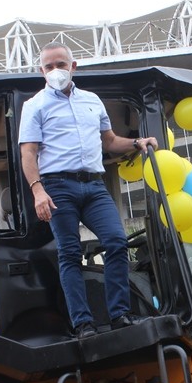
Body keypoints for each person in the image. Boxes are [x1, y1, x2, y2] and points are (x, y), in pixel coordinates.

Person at [19, 42, 158, 339]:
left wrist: (137, 142)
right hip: (57, 186)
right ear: (41, 71)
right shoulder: (34, 106)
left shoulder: (92, 101)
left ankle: (120, 314)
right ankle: (83, 324)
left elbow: (109, 141)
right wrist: (38, 191)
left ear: (73, 66)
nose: (55, 71)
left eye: (60, 64)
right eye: (48, 67)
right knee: (70, 253)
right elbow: (28, 152)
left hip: (94, 185)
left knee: (117, 241)